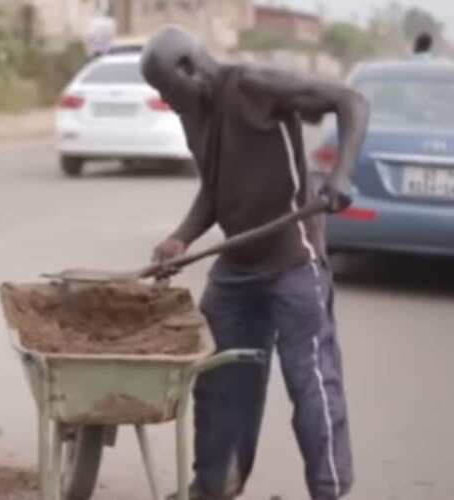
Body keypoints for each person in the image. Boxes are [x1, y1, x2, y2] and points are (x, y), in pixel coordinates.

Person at [139, 27, 369, 500]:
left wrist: (342, 173)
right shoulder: (193, 114)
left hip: (292, 261)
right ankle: (214, 486)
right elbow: (214, 188)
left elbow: (351, 102)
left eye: (165, 88)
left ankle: (328, 490)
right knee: (218, 381)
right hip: (236, 266)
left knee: (310, 385)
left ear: (188, 67)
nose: (165, 100)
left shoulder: (254, 86)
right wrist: (180, 239)